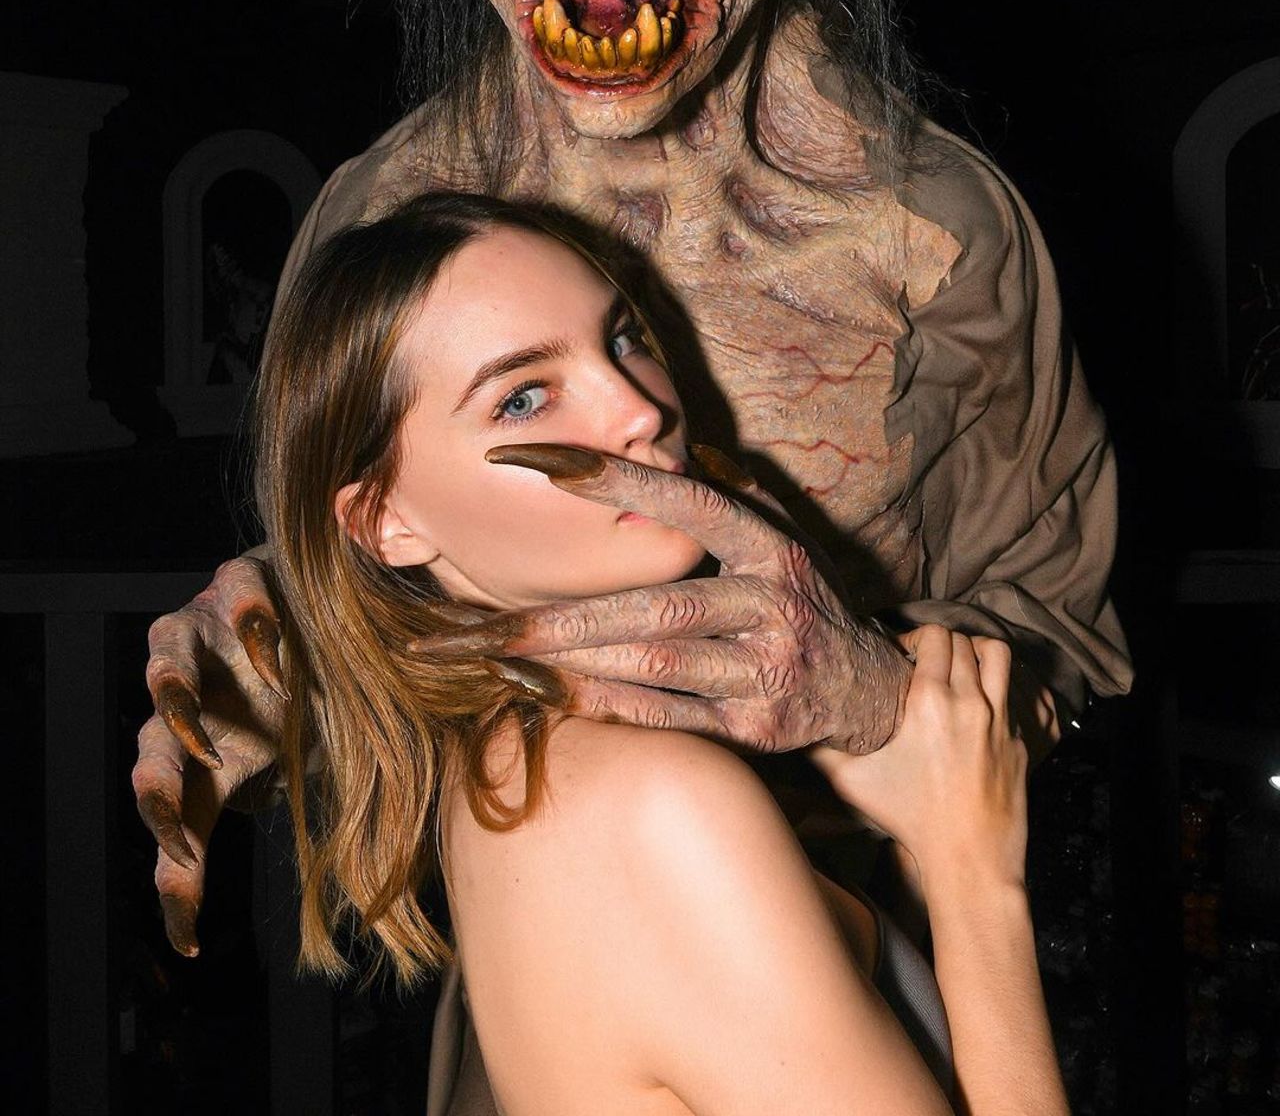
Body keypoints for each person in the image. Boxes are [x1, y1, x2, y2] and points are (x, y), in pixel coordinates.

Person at [135, 0, 1131, 962]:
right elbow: (374, 591)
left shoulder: (936, 231)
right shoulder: (378, 218)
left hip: (861, 959)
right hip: (541, 960)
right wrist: (287, 651)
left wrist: (871, 698)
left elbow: (1066, 646)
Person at [254, 188, 1068, 1116]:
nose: (638, 409)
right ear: (385, 522)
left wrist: (919, 802)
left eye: (623, 338)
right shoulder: (648, 808)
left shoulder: (516, 769)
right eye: (524, 397)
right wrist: (973, 866)